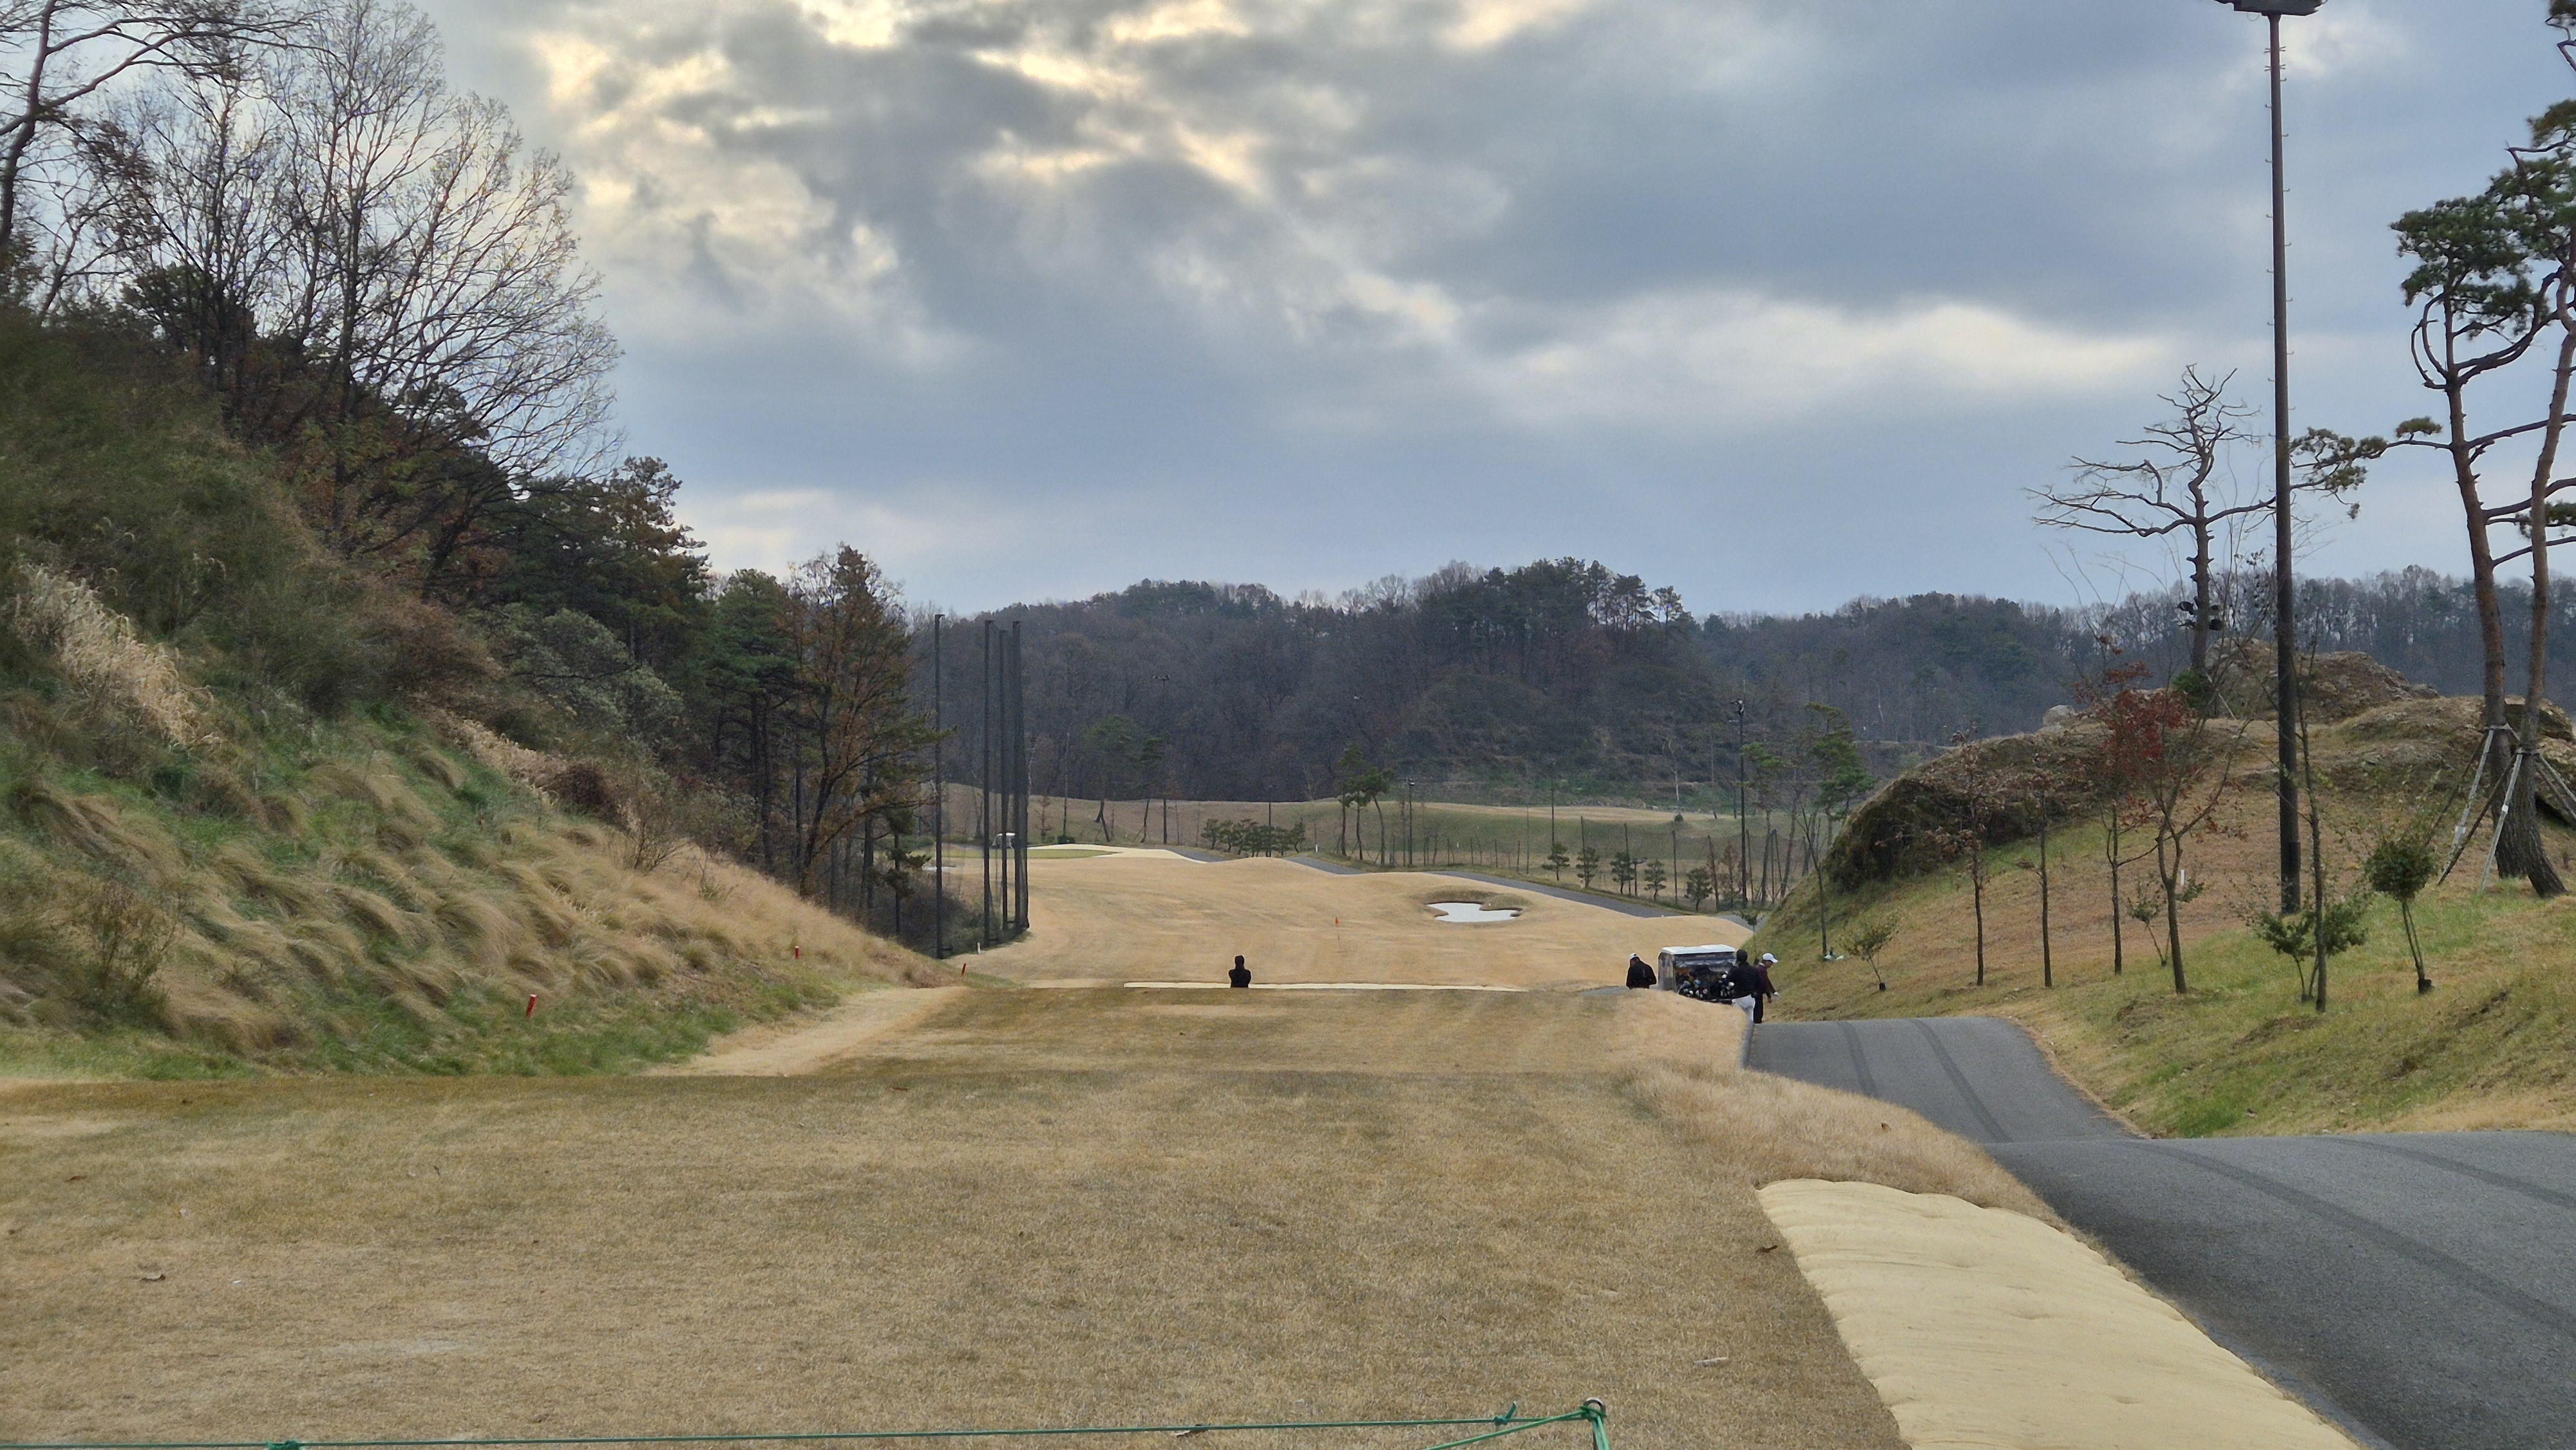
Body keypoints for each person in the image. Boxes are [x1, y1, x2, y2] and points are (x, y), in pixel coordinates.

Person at [1745, 953, 1780, 1024]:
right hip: (1758, 993)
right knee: (1758, 1009)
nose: (1772, 964)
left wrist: (1773, 991)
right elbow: (1765, 983)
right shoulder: (1762, 970)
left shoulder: (1760, 969)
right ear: (1766, 961)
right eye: (1771, 962)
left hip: (1755, 993)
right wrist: (1769, 996)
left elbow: (1767, 981)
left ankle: (1756, 1021)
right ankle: (1757, 1023)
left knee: (1757, 1008)